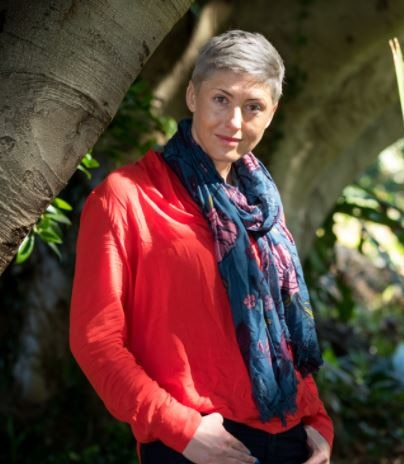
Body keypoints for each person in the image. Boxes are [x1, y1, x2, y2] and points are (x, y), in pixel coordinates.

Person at [69, 30, 333, 464]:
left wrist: (317, 422)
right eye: (220, 99)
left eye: (253, 107)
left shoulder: (262, 205)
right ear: (192, 96)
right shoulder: (125, 197)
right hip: (193, 444)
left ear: (272, 114)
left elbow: (282, 333)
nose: (234, 123)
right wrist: (181, 428)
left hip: (290, 441)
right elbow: (95, 341)